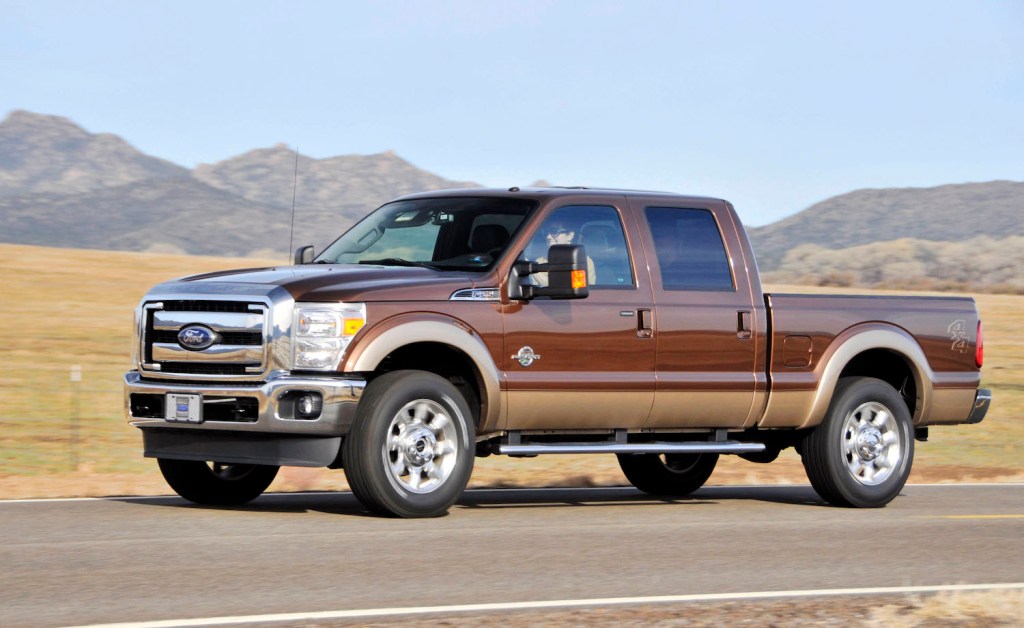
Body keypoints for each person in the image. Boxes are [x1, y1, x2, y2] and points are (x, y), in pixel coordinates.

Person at [531, 218, 597, 287]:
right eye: (546, 232)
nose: (548, 237)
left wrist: (533, 270)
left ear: (569, 235)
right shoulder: (539, 261)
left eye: (554, 232)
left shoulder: (583, 261)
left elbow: (579, 291)